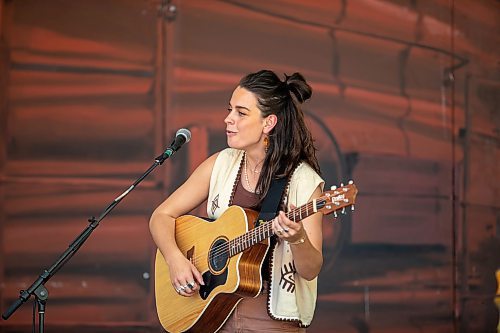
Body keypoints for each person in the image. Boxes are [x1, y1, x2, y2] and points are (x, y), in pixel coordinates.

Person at [149, 69, 324, 332]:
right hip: (211, 311)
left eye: (241, 113)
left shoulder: (304, 182)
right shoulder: (220, 164)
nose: (228, 119)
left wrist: (297, 238)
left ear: (269, 123)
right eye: (230, 110)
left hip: (270, 320)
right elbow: (160, 216)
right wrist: (176, 260)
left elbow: (310, 271)